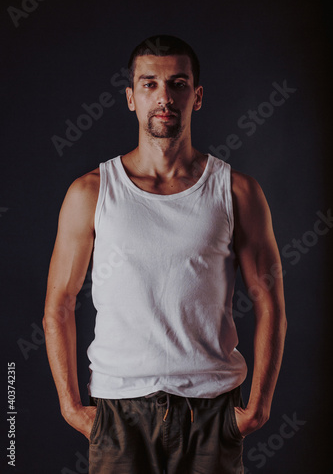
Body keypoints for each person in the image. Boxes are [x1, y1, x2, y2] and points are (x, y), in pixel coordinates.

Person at [43, 35, 287, 474]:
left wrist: (258, 408)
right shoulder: (91, 192)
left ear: (196, 97)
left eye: (177, 84)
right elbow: (58, 304)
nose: (164, 97)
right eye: (149, 84)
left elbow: (270, 302)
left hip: (212, 412)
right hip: (119, 416)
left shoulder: (236, 191)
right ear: (130, 98)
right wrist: (71, 407)